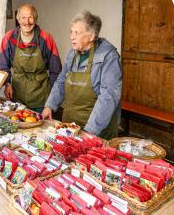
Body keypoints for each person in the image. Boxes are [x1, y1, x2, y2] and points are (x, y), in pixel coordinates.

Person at [42, 11, 122, 140]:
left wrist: (91, 130)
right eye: (71, 32)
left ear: (92, 36)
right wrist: (49, 105)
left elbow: (109, 96)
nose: (71, 37)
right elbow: (61, 81)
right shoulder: (72, 54)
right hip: (70, 125)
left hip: (96, 129)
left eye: (77, 33)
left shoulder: (108, 56)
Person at [0, 4, 62, 113]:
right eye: (23, 17)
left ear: (35, 19)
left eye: (30, 17)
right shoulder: (9, 38)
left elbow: (56, 71)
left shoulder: (46, 38)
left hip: (41, 96)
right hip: (17, 94)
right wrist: (7, 84)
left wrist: (52, 100)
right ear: (18, 19)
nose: (27, 22)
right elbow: (3, 66)